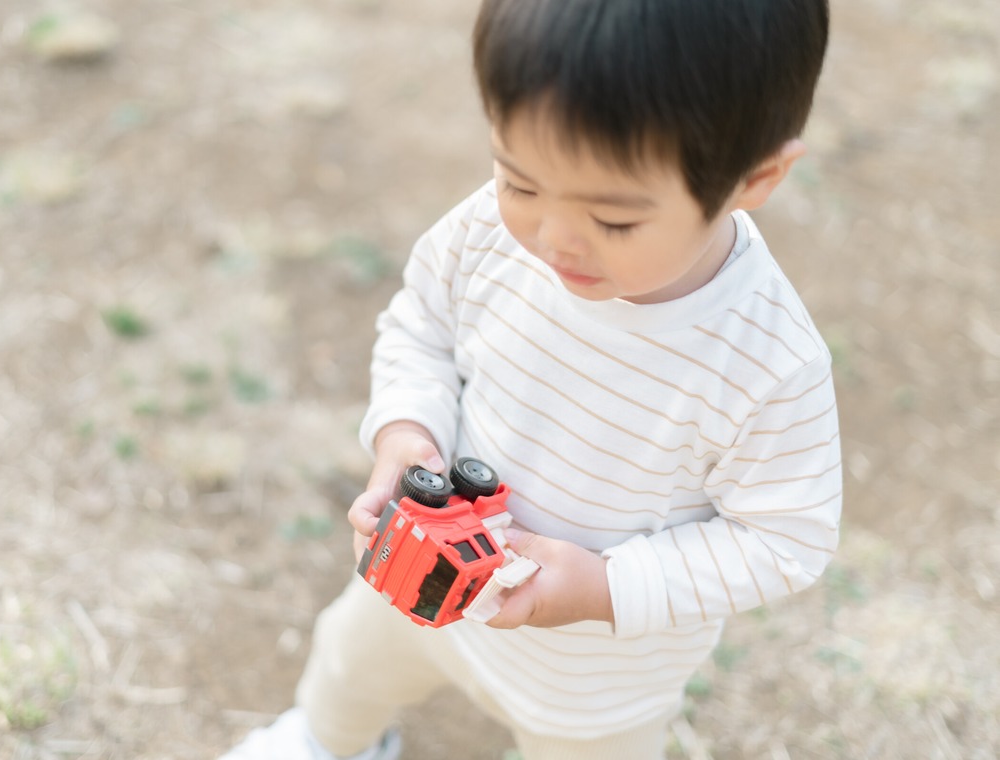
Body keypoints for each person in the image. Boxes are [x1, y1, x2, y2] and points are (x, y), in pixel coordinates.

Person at [220, 0, 840, 757]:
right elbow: (423, 326)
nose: (553, 237)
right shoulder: (487, 232)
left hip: (592, 676)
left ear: (757, 175)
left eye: (613, 220)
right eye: (520, 181)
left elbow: (781, 539)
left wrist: (600, 585)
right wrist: (407, 434)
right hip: (417, 576)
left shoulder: (766, 362)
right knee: (346, 669)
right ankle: (326, 743)